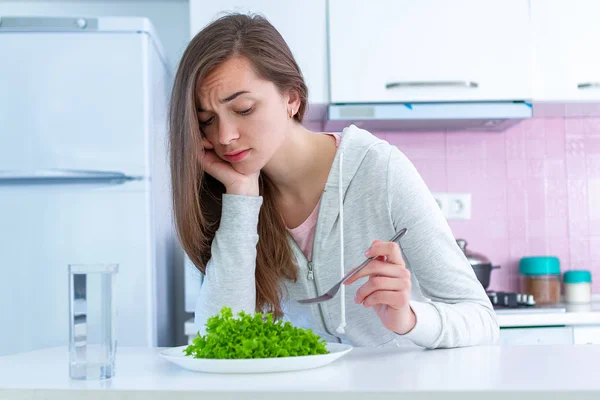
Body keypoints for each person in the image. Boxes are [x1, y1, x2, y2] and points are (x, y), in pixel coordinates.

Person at [168, 13, 499, 349]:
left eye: (243, 109)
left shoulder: (379, 170)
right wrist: (241, 197)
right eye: (207, 120)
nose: (225, 136)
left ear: (292, 98)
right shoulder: (226, 196)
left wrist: (409, 318)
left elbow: (481, 319)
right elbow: (220, 340)